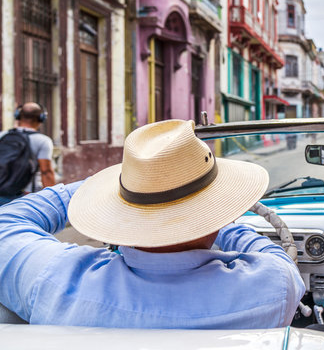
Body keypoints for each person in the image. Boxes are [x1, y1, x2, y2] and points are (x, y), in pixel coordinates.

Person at [0, 119, 305, 329]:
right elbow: (281, 261)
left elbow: (7, 223)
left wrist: (100, 188)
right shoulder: (272, 286)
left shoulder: (57, 280)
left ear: (120, 212)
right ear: (219, 217)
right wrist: (227, 222)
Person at [0, 102, 55, 205]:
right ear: (41, 118)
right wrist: (52, 200)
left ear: (18, 116)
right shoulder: (43, 141)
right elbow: (46, 172)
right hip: (24, 196)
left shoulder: (2, 136)